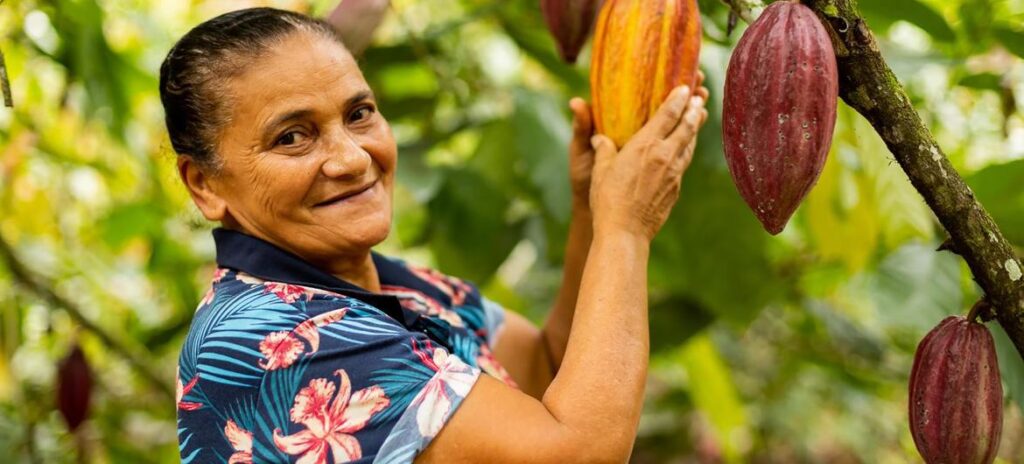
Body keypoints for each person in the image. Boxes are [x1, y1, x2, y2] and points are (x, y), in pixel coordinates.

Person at [162, 7, 708, 464]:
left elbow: (547, 369)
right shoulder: (264, 341)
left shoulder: (406, 289)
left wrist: (594, 209)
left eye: (359, 113)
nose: (353, 159)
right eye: (293, 137)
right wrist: (626, 227)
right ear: (205, 185)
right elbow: (577, 451)